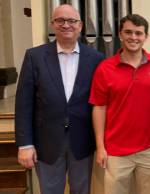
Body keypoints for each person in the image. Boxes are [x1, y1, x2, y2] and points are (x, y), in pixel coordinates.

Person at [15, 4, 104, 194]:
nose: (66, 25)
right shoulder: (34, 56)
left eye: (71, 21)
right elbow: (24, 104)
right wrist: (25, 144)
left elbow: (101, 103)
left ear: (80, 25)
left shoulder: (96, 58)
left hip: (82, 142)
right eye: (60, 20)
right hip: (46, 142)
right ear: (52, 24)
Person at [89, 14, 150, 194]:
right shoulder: (105, 68)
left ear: (146, 37)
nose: (133, 37)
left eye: (138, 33)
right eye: (128, 32)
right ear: (120, 34)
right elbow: (99, 107)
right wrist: (100, 146)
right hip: (115, 151)